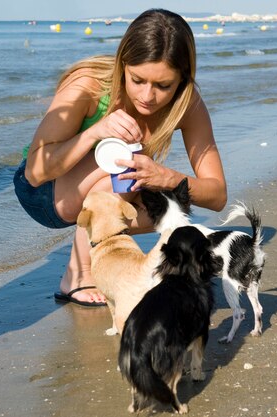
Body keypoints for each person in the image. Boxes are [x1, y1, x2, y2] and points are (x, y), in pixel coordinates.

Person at [13, 9, 227, 306]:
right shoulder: (88, 85)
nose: (147, 97)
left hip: (105, 192)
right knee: (123, 169)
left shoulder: (188, 104)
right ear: (122, 64)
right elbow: (34, 173)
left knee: (170, 208)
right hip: (44, 194)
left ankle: (110, 266)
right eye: (137, 80)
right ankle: (79, 274)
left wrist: (166, 177)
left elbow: (217, 195)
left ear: (182, 80)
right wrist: (93, 133)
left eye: (163, 86)